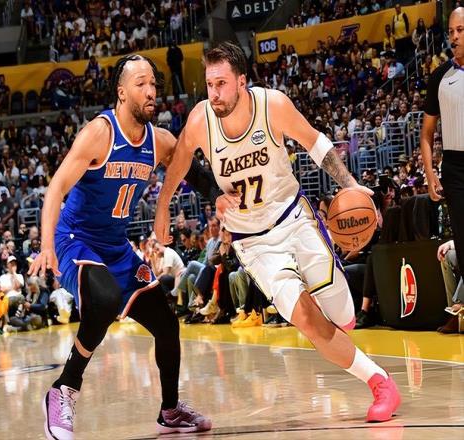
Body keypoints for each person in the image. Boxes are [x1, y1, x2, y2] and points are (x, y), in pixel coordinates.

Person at [154, 42, 400, 423]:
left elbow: (316, 143)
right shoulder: (202, 119)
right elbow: (181, 159)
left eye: (221, 84)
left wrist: (350, 184)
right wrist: (164, 207)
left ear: (242, 82)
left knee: (343, 316)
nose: (214, 93)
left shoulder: (273, 105)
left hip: (293, 219)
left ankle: (338, 315)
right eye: (209, 84)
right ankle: (380, 382)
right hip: (254, 244)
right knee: (308, 320)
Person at [28, 54, 213, 440]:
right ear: (122, 91)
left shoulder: (158, 141)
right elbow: (56, 187)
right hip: (75, 239)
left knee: (167, 324)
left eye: (154, 84)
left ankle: (170, 410)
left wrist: (223, 197)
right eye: (141, 83)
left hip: (116, 246)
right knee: (105, 299)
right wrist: (46, 245)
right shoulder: (100, 132)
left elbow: (193, 172)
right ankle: (63, 389)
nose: (151, 91)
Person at [421, 7, 464, 322]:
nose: (454, 37)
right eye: (451, 32)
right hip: (455, 167)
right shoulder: (440, 76)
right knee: (462, 238)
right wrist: (430, 172)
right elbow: (426, 134)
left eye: (460, 30)